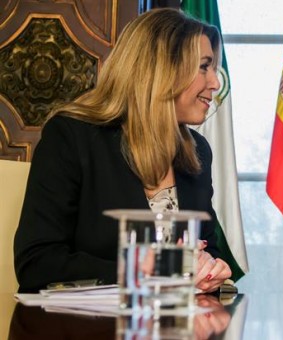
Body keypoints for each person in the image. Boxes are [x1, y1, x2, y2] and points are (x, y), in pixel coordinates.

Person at [14, 8, 232, 293]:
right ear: (161, 68)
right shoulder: (70, 137)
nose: (215, 82)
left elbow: (207, 247)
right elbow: (36, 263)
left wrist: (211, 269)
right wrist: (141, 267)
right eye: (204, 66)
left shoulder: (198, 151)